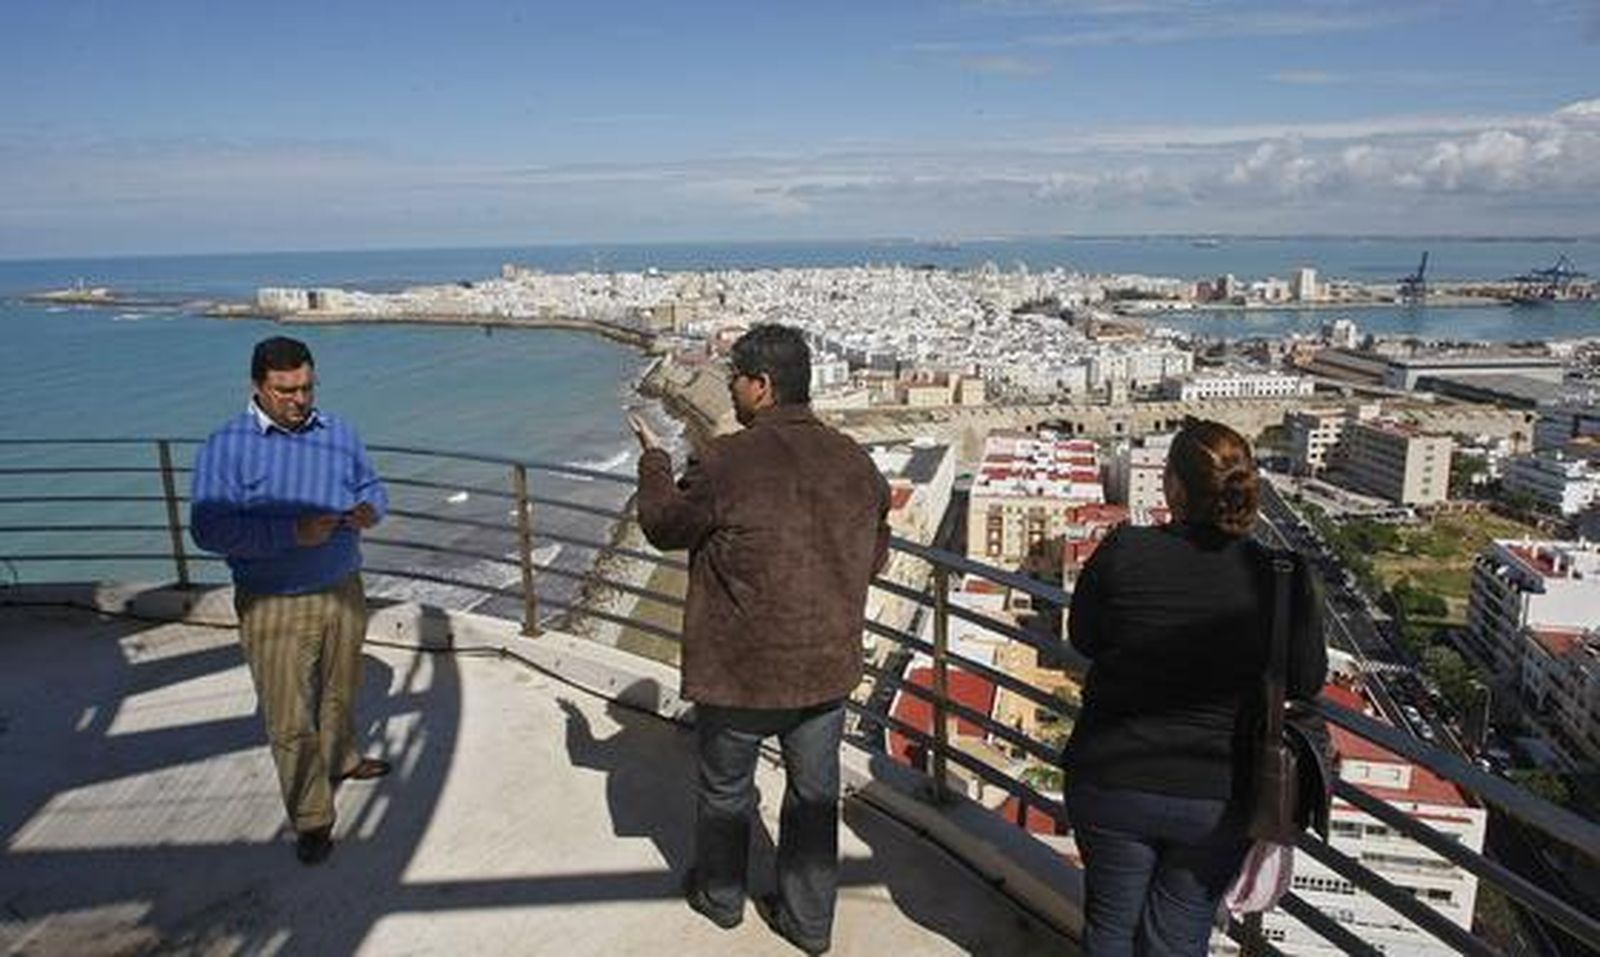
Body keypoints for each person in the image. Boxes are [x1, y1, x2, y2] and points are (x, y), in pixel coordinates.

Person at [628, 324, 889, 956]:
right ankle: (809, 922)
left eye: (734, 380)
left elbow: (665, 526)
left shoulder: (724, 461)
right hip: (826, 670)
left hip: (742, 671)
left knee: (725, 791)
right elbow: (874, 555)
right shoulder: (856, 461)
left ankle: (720, 900)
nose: (730, 390)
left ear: (762, 386)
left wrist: (654, 457)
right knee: (814, 797)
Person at [1062, 419, 1326, 956]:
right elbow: (1306, 679)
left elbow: (1085, 638)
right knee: (1178, 937)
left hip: (1111, 774)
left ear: (1177, 488)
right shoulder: (1281, 574)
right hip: (1218, 793)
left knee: (1109, 928)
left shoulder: (1125, 550)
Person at [190, 336, 392, 865]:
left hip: (343, 585)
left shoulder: (339, 431)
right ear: (258, 387)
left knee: (340, 689)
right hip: (273, 601)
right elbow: (208, 529)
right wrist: (291, 533)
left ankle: (343, 759)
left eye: (306, 387)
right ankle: (312, 818)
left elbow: (373, 485)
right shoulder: (225, 447)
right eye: (286, 391)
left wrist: (371, 508)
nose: (299, 400)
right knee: (288, 716)